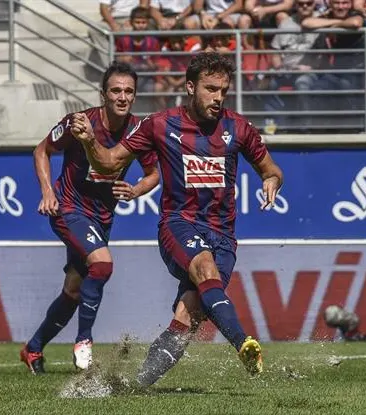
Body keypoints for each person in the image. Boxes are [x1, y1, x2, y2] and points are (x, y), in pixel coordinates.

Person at [70, 52, 284, 386]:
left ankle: (139, 384)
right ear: (190, 86)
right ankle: (243, 342)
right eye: (211, 88)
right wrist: (88, 142)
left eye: (223, 91)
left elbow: (271, 169)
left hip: (223, 236)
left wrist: (271, 180)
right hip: (178, 223)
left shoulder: (237, 127)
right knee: (204, 268)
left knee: (190, 313)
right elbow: (108, 164)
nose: (218, 97)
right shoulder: (160, 124)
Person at [19, 62, 159, 374]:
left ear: (134, 96)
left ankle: (33, 348)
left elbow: (153, 175)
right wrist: (46, 191)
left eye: (128, 92)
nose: (122, 97)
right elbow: (41, 150)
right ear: (103, 94)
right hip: (68, 208)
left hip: (102, 217)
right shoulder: (79, 122)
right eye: (115, 91)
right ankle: (84, 341)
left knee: (73, 290)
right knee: (103, 264)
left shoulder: (139, 130)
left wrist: (136, 190)